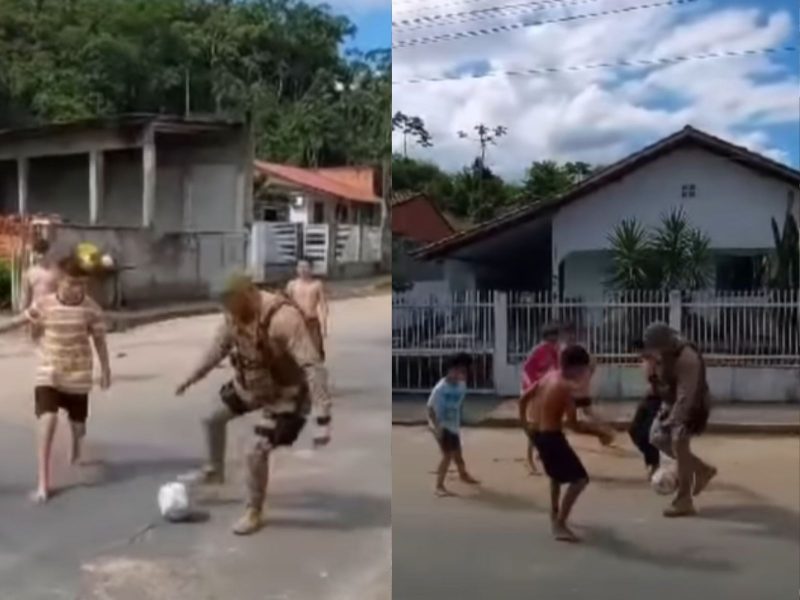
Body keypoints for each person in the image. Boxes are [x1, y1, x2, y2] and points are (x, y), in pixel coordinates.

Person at [175, 274, 332, 535]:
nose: (227, 310)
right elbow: (217, 349)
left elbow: (312, 367)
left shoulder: (283, 319)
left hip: (286, 395)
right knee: (212, 417)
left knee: (255, 450)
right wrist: (191, 378)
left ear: (247, 293)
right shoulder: (232, 316)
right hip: (252, 385)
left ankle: (254, 510)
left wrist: (323, 417)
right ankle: (215, 470)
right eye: (224, 305)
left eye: (230, 303)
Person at [0, 253, 111, 503]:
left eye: (82, 284)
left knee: (78, 425)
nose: (76, 289)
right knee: (47, 421)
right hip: (49, 371)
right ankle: (43, 483)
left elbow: (100, 341)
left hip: (79, 375)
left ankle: (76, 447)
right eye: (72, 283)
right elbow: (20, 320)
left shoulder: (91, 309)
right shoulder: (46, 304)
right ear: (60, 281)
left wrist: (105, 370)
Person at [519, 345, 612, 542]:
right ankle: (560, 524)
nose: (585, 374)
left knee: (555, 475)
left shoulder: (548, 377)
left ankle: (554, 512)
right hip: (551, 437)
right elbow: (573, 425)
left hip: (537, 433)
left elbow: (523, 398)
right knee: (580, 480)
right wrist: (599, 433)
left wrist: (525, 425)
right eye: (585, 369)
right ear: (576, 368)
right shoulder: (566, 388)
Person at [643, 323, 717, 517]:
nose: (655, 354)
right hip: (672, 400)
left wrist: (673, 420)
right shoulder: (661, 356)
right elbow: (662, 386)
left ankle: (684, 500)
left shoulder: (687, 358)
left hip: (693, 404)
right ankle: (701, 469)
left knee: (678, 442)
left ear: (666, 344)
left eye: (657, 350)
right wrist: (652, 377)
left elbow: (688, 395)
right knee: (656, 438)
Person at [427, 353, 479, 497]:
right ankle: (439, 486)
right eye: (457, 371)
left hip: (453, 425)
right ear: (449, 370)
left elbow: (459, 404)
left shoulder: (462, 386)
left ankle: (463, 474)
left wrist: (459, 420)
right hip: (440, 425)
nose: (460, 375)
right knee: (447, 455)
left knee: (458, 453)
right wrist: (437, 428)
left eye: (463, 372)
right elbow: (430, 409)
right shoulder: (440, 389)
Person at [520, 322, 561, 474]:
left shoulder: (555, 351)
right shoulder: (538, 351)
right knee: (535, 426)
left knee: (548, 423)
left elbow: (557, 371)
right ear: (544, 339)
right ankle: (529, 459)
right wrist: (532, 387)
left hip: (547, 391)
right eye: (550, 339)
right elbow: (526, 370)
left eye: (555, 339)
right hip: (534, 391)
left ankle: (541, 452)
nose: (553, 342)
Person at [628, 343, 662, 478]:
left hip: (659, 399)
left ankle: (654, 463)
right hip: (648, 398)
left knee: (647, 433)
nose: (639, 354)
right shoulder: (646, 362)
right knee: (634, 430)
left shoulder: (659, 361)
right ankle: (652, 461)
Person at [285, 258, 328, 361]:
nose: (303, 270)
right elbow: (285, 305)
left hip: (312, 322)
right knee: (293, 353)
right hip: (295, 323)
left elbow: (323, 305)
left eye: (306, 267)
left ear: (311, 269)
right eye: (300, 267)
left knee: (315, 353)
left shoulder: (317, 285)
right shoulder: (292, 285)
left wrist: (324, 325)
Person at [22, 238, 59, 341]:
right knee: (34, 341)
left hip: (53, 310)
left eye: (44, 253)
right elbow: (27, 295)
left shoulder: (56, 272)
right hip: (36, 310)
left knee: (52, 340)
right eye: (38, 253)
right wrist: (25, 312)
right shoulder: (30, 272)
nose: (41, 257)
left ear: (49, 253)